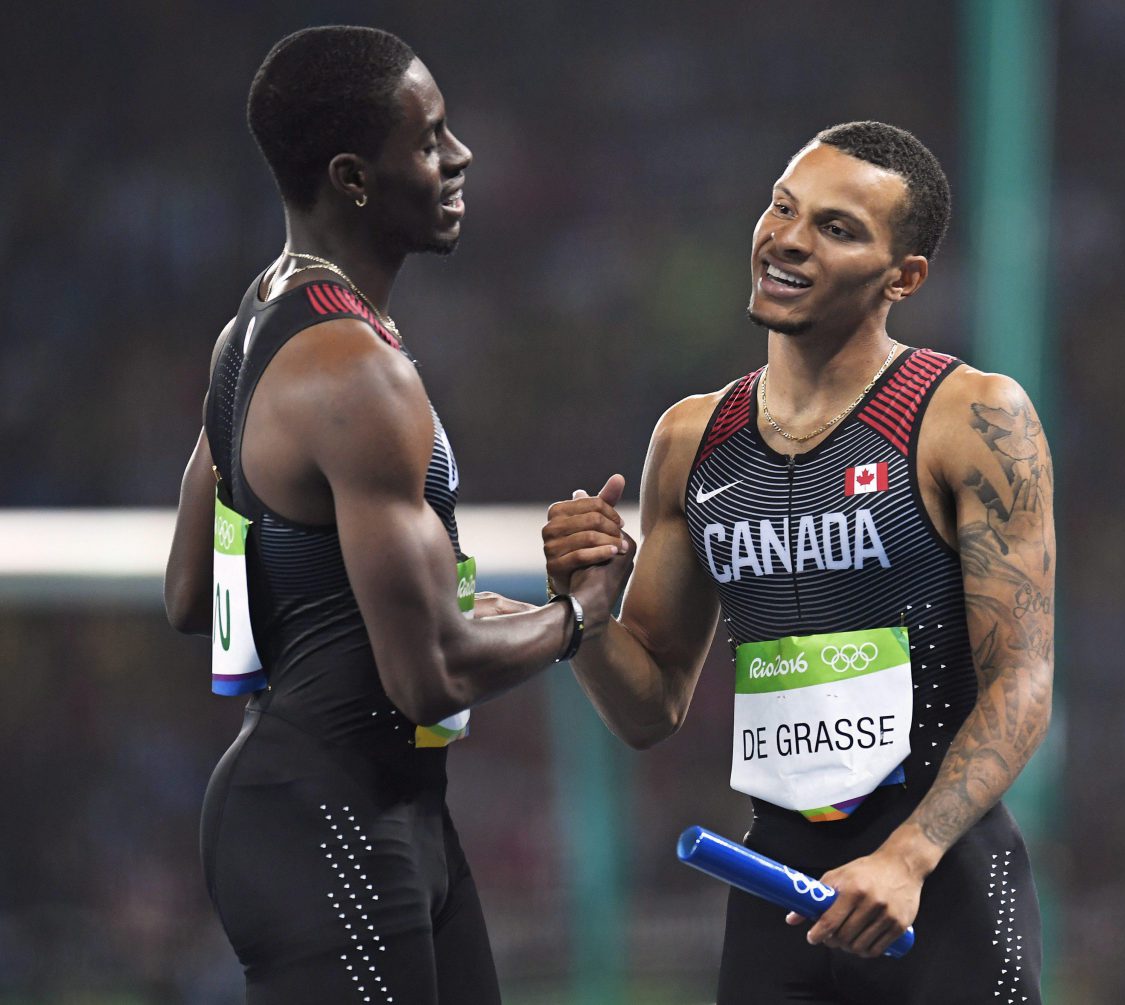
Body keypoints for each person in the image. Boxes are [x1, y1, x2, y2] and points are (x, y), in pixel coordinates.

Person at [163, 26, 629, 1004]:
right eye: (428, 139)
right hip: (331, 824)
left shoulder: (249, 330)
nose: (459, 157)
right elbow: (427, 679)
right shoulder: (354, 372)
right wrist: (579, 613)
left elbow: (191, 594)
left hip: (372, 809)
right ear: (353, 178)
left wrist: (429, 612)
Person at [543, 121, 1054, 1003]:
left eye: (837, 228)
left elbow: (1023, 681)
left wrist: (907, 856)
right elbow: (649, 708)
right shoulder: (692, 438)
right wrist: (584, 615)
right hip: (776, 888)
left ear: (903, 277)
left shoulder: (971, 417)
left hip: (939, 888)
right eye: (783, 208)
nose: (788, 239)